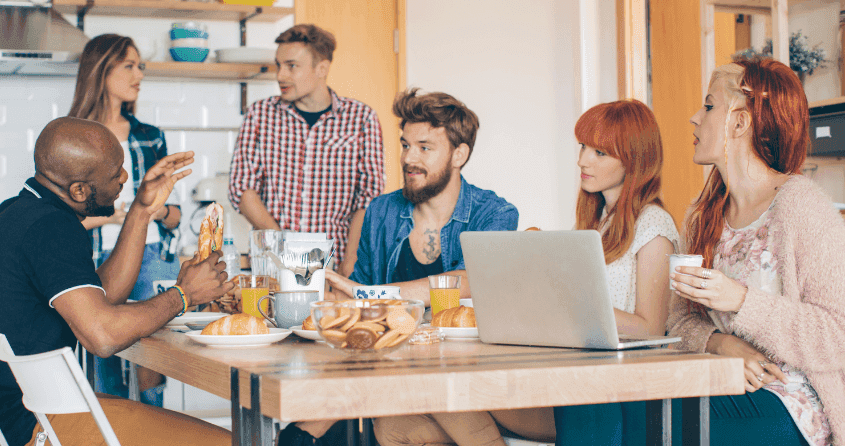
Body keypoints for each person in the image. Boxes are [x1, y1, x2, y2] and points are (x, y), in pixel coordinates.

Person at [558, 58, 845, 446]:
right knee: (587, 395)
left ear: (740, 123)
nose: (695, 117)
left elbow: (837, 336)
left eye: (709, 105)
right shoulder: (702, 214)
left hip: (790, 403)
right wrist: (719, 342)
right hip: (717, 381)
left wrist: (742, 302)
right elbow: (678, 321)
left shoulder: (801, 206)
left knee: (635, 417)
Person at [372, 99, 679, 446]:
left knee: (443, 384)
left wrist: (567, 307)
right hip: (571, 374)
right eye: (582, 147)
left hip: (607, 389)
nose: (582, 160)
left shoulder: (653, 224)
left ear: (634, 159)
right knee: (393, 426)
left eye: (599, 153)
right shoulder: (598, 222)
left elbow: (651, 328)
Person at [0, 117, 234, 446]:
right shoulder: (52, 228)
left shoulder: (21, 211)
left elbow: (102, 296)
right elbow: (103, 336)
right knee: (229, 442)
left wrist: (142, 210)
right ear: (78, 190)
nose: (125, 177)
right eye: (114, 172)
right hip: (20, 425)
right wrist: (183, 295)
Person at [277, 89, 519, 446]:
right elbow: (358, 292)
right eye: (406, 145)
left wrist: (376, 295)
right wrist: (310, 293)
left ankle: (306, 429)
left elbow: (472, 280)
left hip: (466, 373)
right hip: (394, 370)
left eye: (425, 147)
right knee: (390, 422)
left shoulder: (494, 213)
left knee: (385, 415)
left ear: (460, 154)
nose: (409, 158)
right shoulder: (382, 211)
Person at [67, 33, 181, 407]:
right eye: (129, 65)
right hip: (93, 262)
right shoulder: (72, 138)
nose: (139, 75)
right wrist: (113, 217)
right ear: (101, 71)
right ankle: (113, 425)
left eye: (141, 66)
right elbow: (60, 221)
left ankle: (152, 422)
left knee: (154, 357)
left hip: (150, 260)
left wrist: (152, 210)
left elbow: (174, 216)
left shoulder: (150, 137)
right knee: (104, 357)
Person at [228, 23, 385, 276]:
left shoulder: (361, 118)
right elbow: (242, 189)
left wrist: (351, 261)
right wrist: (286, 249)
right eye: (278, 65)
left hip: (335, 263)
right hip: (272, 263)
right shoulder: (260, 114)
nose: (280, 76)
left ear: (321, 68)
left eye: (291, 66)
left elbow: (367, 199)